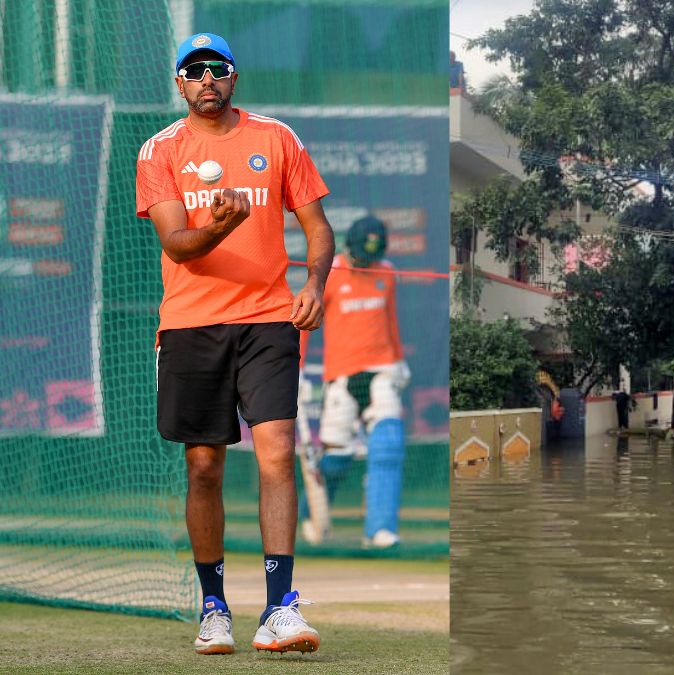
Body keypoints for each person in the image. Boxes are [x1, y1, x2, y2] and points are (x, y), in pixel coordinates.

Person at [136, 33, 333, 656]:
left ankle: (279, 608)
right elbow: (178, 245)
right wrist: (219, 225)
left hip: (268, 319)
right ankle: (214, 607)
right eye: (193, 71)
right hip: (190, 324)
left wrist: (315, 283)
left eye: (216, 68)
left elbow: (318, 227)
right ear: (180, 83)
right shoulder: (160, 149)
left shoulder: (277, 138)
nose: (206, 79)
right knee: (204, 466)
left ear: (233, 76)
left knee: (277, 453)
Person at [301, 215, 410, 549]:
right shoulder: (329, 273)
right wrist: (297, 368)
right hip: (342, 376)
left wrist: (399, 359)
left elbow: (391, 321)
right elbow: (304, 320)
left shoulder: (386, 272)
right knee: (336, 457)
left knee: (388, 445)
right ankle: (312, 517)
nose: (367, 260)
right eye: (363, 254)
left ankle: (379, 530)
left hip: (382, 370)